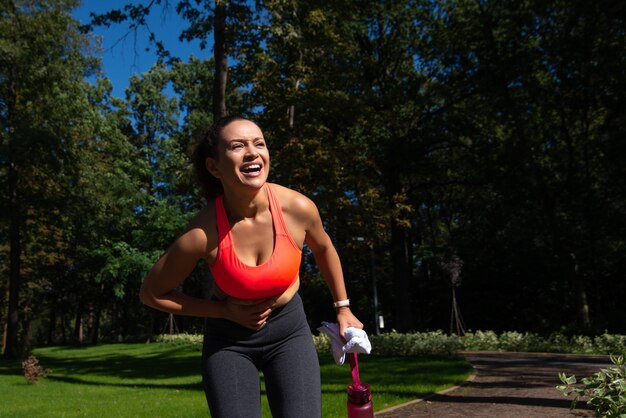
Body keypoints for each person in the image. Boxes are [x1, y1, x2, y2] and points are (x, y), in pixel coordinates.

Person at [139, 115, 363, 418]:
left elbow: (324, 248)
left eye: (259, 144)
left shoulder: (298, 208)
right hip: (228, 342)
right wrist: (222, 311)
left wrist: (343, 307)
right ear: (214, 166)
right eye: (237, 146)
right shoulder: (202, 234)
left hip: (289, 332)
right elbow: (152, 293)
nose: (252, 152)